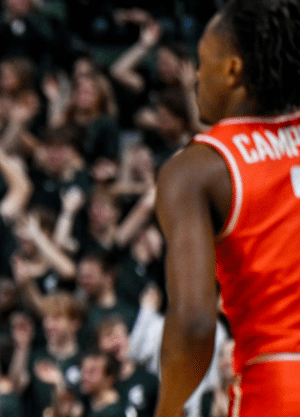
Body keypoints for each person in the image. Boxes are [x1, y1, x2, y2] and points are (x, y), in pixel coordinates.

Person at [154, 0, 300, 416]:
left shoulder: (198, 170)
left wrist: (167, 408)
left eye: (203, 61)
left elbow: (196, 323)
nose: (197, 75)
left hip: (279, 385)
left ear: (233, 70)